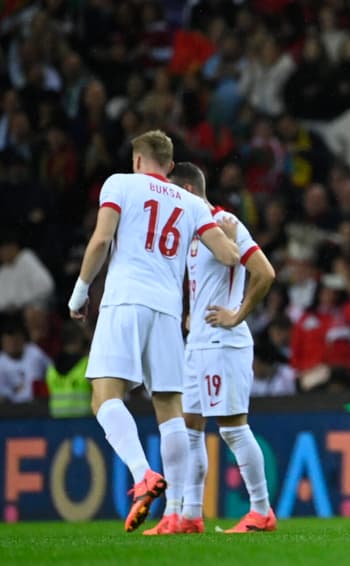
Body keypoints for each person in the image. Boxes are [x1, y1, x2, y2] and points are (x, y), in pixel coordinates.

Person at [67, 130, 240, 533]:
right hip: (166, 310)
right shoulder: (194, 204)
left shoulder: (120, 184)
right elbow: (228, 255)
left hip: (125, 299)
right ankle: (178, 512)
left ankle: (143, 473)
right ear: (169, 162)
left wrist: (79, 294)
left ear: (139, 161)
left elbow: (102, 239)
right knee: (169, 408)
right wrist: (230, 234)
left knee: (103, 396)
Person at [139, 162, 276, 535]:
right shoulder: (192, 230)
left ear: (186, 188)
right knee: (191, 429)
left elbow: (264, 272)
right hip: (197, 342)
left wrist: (238, 314)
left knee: (232, 429)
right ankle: (190, 516)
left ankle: (261, 511)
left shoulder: (224, 221)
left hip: (223, 343)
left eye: (172, 191)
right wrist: (191, 315)